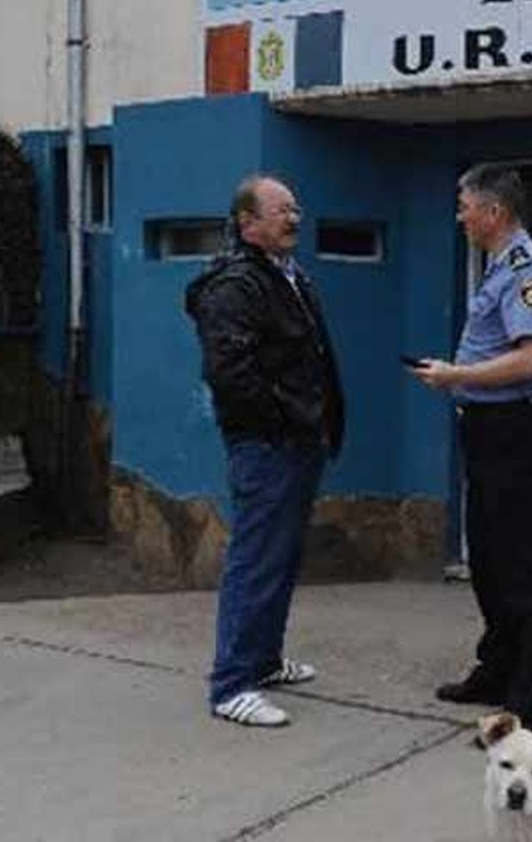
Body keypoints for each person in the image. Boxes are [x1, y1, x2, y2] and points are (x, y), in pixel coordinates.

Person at [184, 173, 346, 727]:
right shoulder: (234, 285)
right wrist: (281, 422)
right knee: (255, 559)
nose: (293, 218)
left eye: (296, 208)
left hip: (300, 441)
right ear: (248, 223)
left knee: (281, 555)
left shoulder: (289, 275)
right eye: (281, 210)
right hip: (268, 445)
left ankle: (264, 660)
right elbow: (229, 372)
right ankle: (231, 684)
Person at [411, 165, 532, 733]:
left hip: (512, 429)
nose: (460, 216)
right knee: (491, 562)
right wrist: (459, 379)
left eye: (465, 206)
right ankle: (497, 671)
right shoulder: (498, 267)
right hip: (485, 425)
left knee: (522, 565)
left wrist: (457, 375)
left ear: (494, 212)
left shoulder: (528, 268)